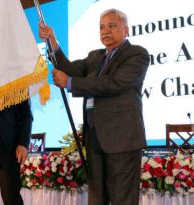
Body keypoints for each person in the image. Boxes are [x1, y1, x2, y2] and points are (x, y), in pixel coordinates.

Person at [39, 8, 150, 205]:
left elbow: (114, 83)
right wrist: (53, 42)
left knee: (122, 199)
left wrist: (71, 83)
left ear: (127, 30)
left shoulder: (137, 54)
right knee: (97, 198)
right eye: (101, 27)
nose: (105, 31)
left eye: (112, 26)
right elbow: (70, 69)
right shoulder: (95, 57)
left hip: (122, 140)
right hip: (95, 139)